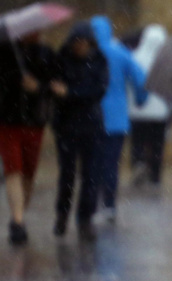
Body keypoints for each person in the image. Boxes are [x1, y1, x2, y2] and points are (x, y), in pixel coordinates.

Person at [52, 23, 109, 241]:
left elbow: (98, 90)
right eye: (77, 43)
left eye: (84, 44)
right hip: (66, 126)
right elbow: (55, 88)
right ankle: (62, 213)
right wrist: (63, 93)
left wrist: (71, 92)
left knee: (91, 175)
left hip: (91, 126)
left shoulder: (99, 60)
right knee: (67, 173)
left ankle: (85, 218)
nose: (80, 47)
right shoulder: (62, 59)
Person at [0, 32, 57, 245]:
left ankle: (20, 215)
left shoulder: (46, 54)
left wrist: (39, 88)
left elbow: (54, 84)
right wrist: (15, 80)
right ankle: (18, 220)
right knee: (13, 168)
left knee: (28, 172)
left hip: (35, 122)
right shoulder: (5, 52)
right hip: (8, 120)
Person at [90, 16, 147, 222]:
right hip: (117, 119)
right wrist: (141, 100)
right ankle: (110, 206)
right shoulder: (121, 54)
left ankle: (91, 204)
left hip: (91, 118)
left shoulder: (89, 54)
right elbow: (141, 80)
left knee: (92, 164)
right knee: (111, 164)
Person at [127, 24, 170, 188]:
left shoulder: (134, 56)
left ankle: (138, 163)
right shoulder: (166, 60)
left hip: (137, 110)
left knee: (137, 142)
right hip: (159, 111)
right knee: (157, 145)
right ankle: (155, 176)